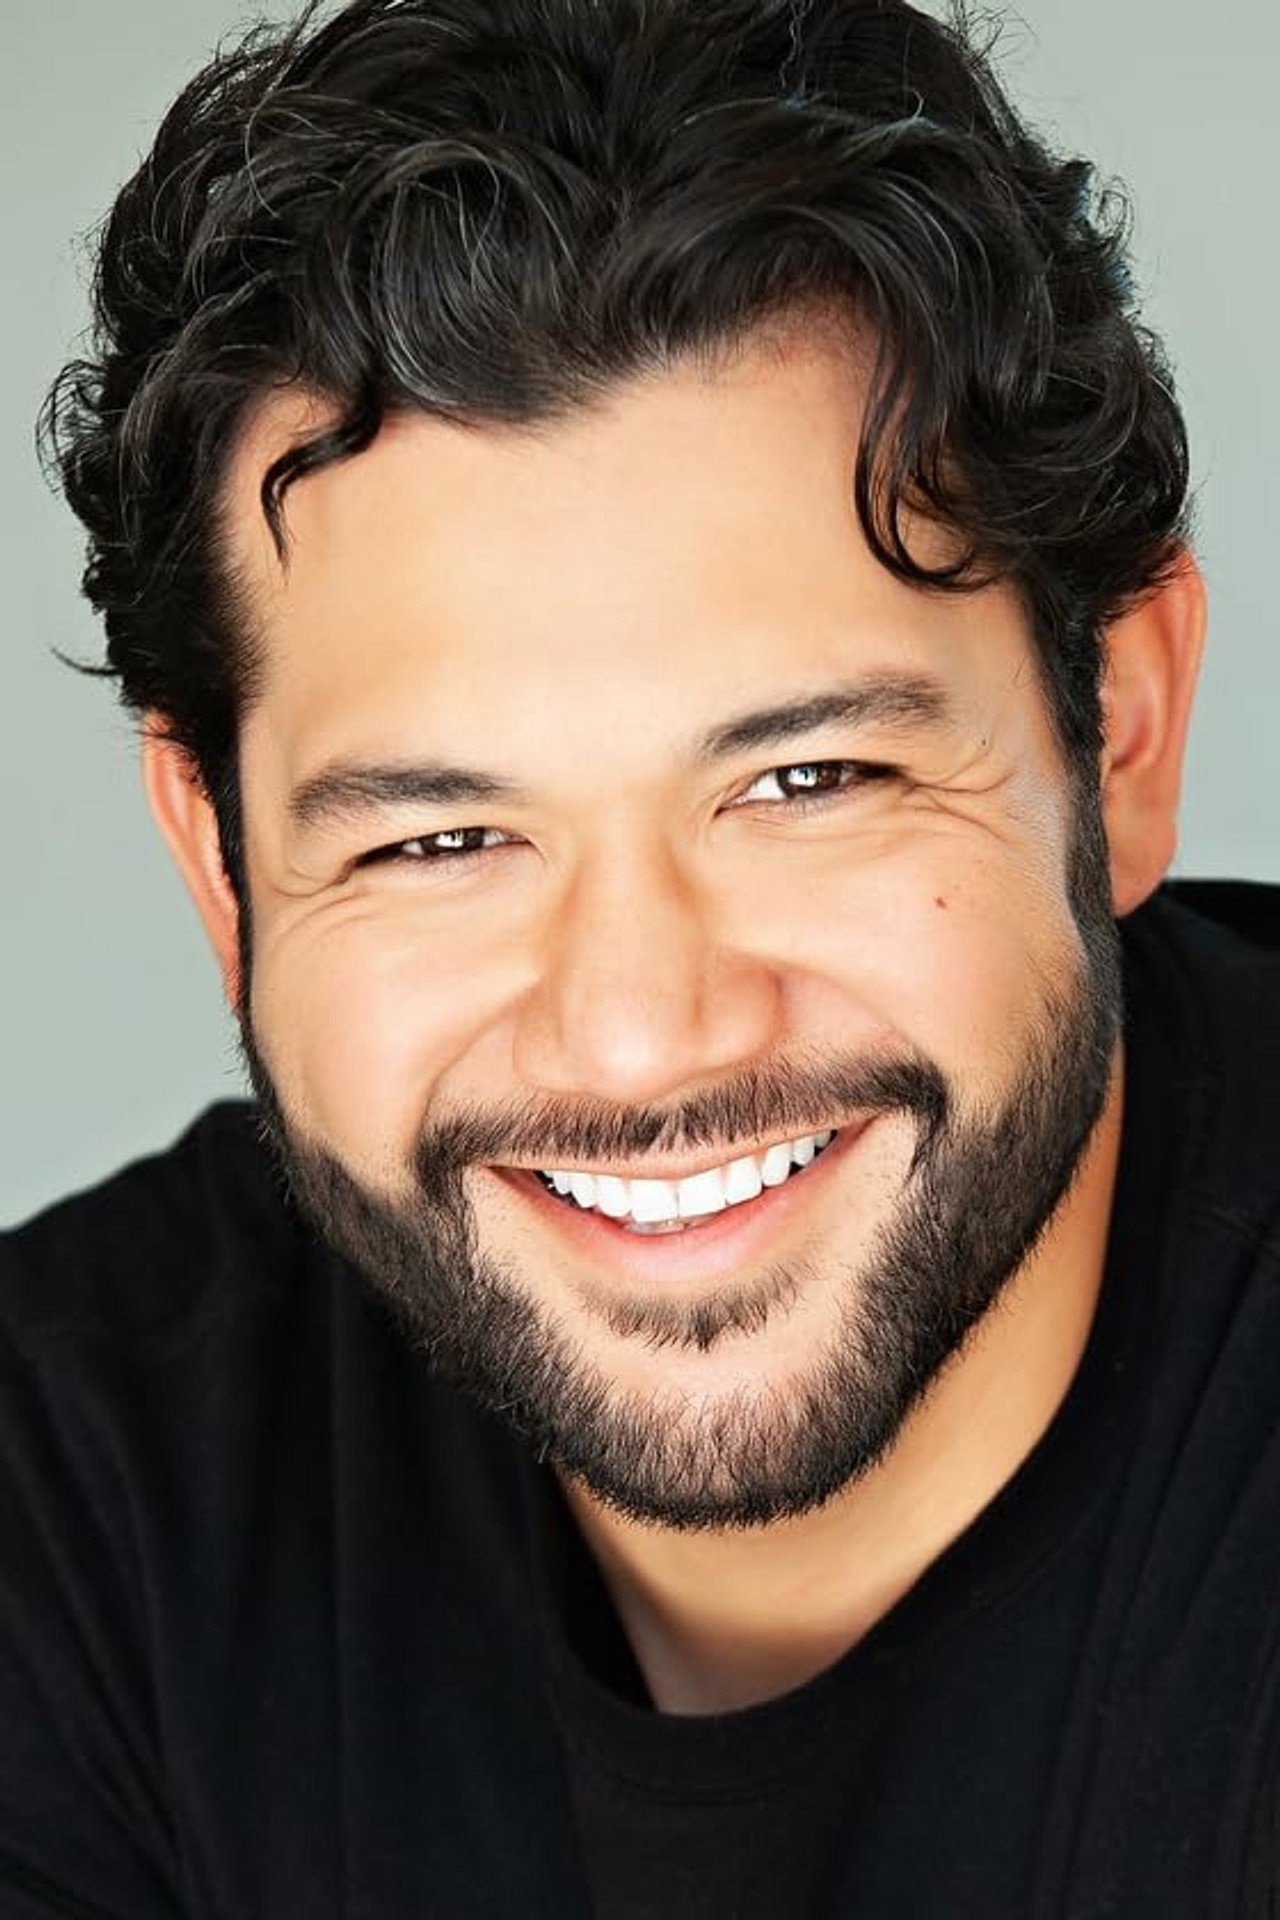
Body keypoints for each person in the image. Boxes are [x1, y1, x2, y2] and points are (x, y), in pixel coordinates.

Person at [4, 0, 1278, 1912]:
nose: (641, 1033)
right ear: (222, 866)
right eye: (439, 841)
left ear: (1126, 731)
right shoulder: (72, 1496)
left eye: (807, 780)